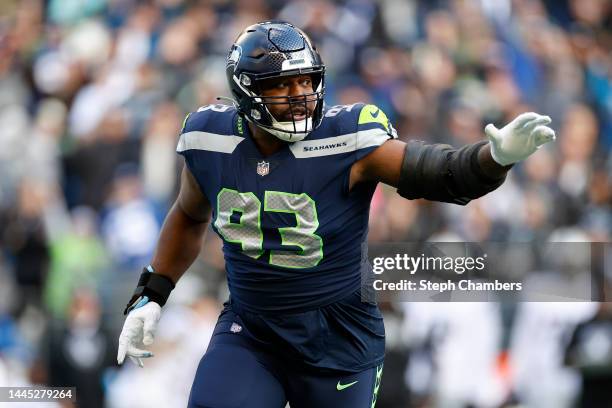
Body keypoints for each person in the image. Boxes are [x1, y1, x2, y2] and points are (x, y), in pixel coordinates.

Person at [117, 21, 556, 408]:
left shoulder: (346, 138)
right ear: (246, 91)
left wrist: (494, 157)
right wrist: (151, 293)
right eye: (281, 85)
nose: (300, 97)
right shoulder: (208, 138)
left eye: (306, 82)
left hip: (338, 334)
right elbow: (189, 214)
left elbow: (438, 173)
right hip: (253, 329)